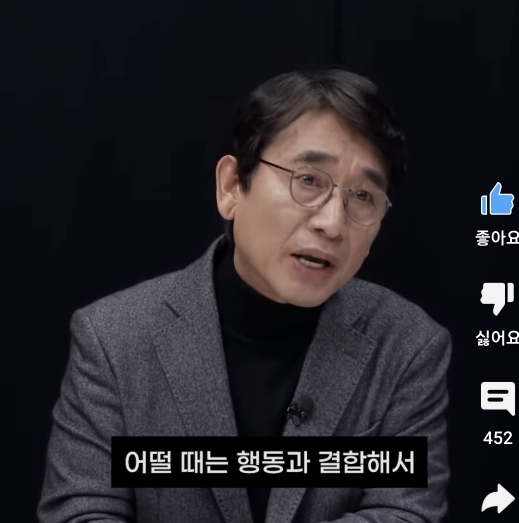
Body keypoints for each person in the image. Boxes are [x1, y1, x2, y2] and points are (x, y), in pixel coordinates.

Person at [38, 68, 452, 523]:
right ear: (232, 186)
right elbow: (81, 512)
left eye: (363, 197)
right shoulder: (113, 338)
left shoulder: (409, 346)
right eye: (309, 180)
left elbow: (404, 512)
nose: (333, 224)